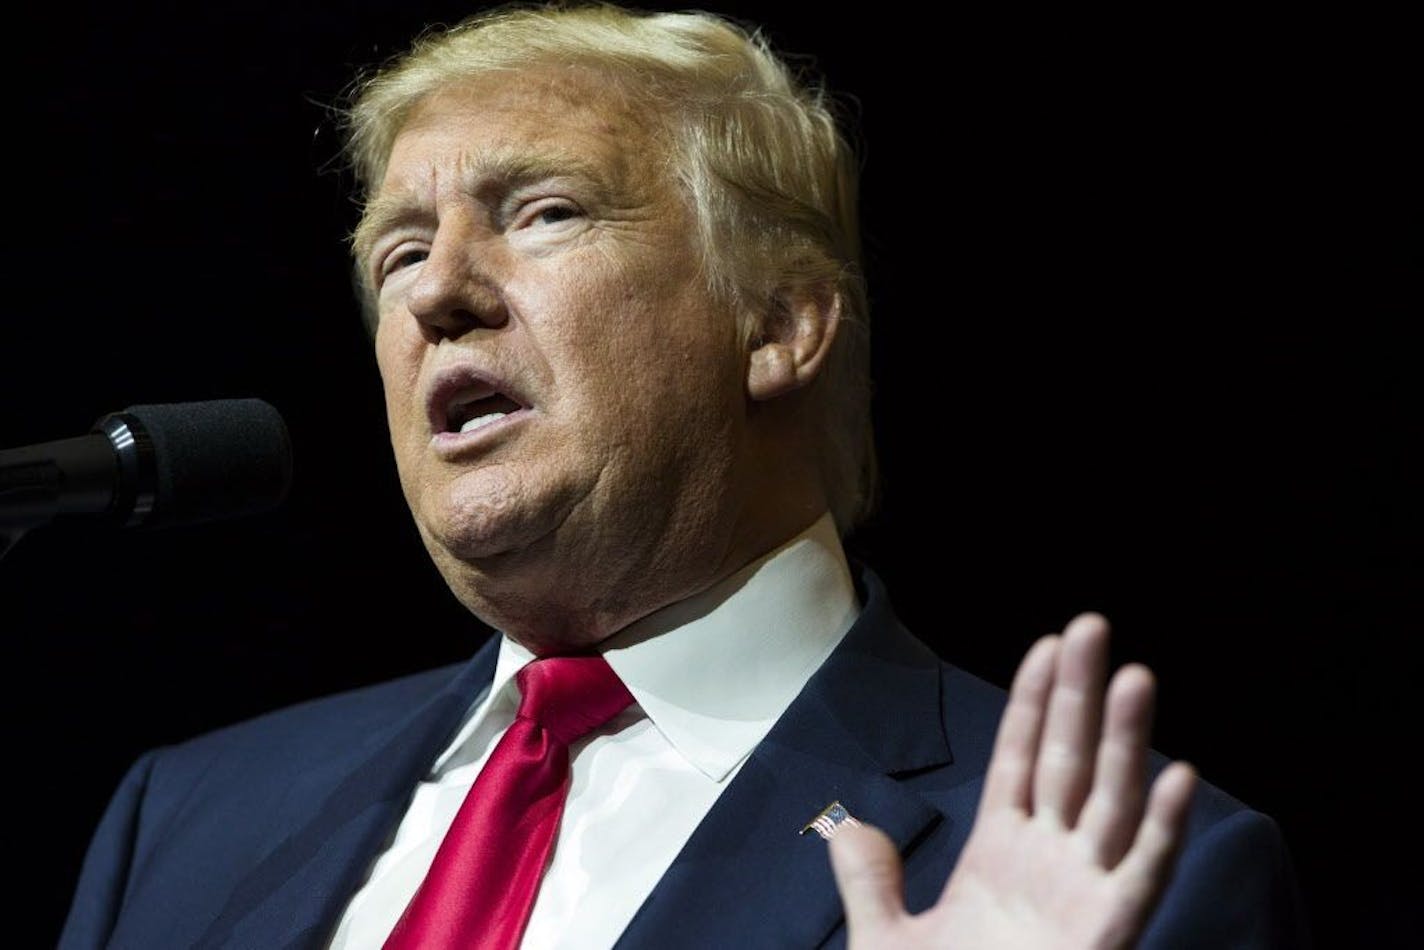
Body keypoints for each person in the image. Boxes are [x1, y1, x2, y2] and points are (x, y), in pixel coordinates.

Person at [59, 5, 1307, 947]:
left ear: (777, 323)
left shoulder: (1127, 864)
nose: (436, 292)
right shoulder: (186, 818)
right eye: (396, 252)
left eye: (543, 211)